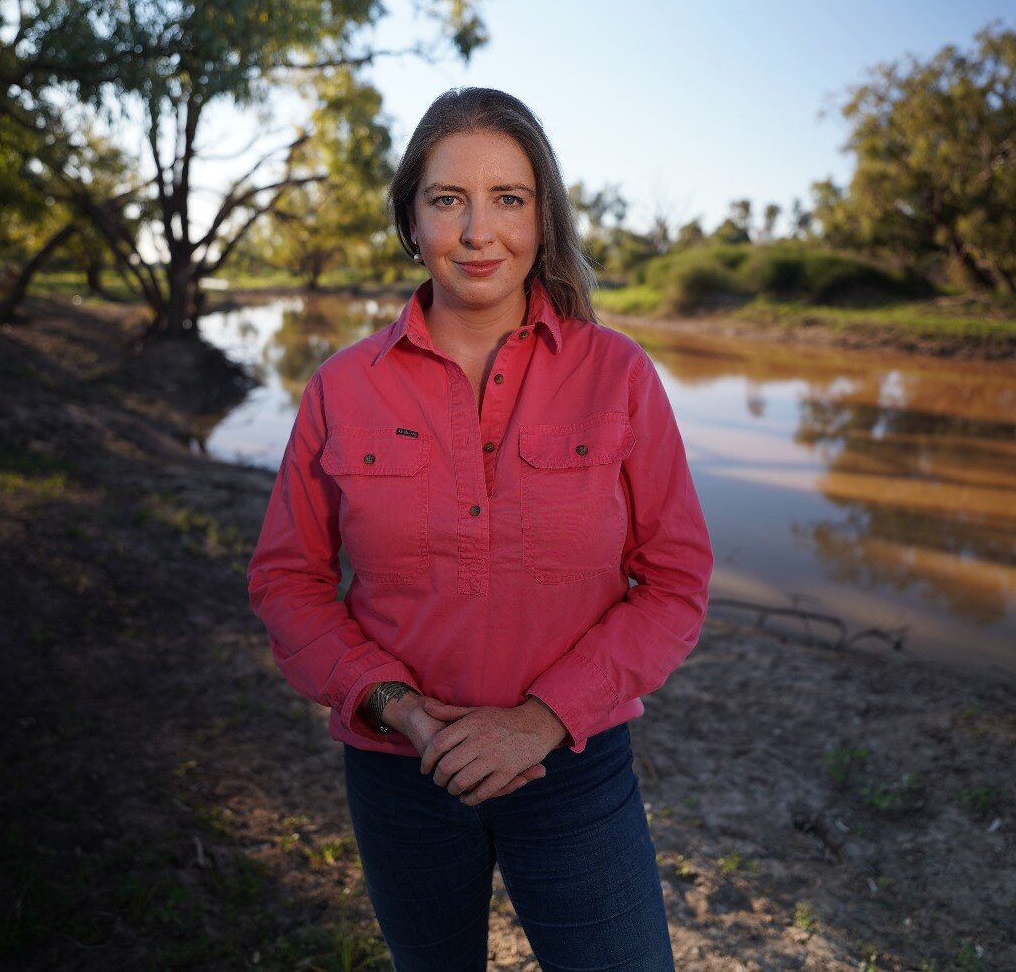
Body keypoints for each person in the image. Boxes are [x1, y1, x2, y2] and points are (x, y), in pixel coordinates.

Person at [247, 87, 712, 970]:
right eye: (447, 199)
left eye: (508, 199)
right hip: (400, 771)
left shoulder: (617, 374)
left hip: (574, 767)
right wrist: (403, 712)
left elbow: (677, 580)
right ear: (410, 220)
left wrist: (540, 720)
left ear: (543, 218)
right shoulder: (343, 387)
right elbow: (287, 579)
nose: (477, 231)